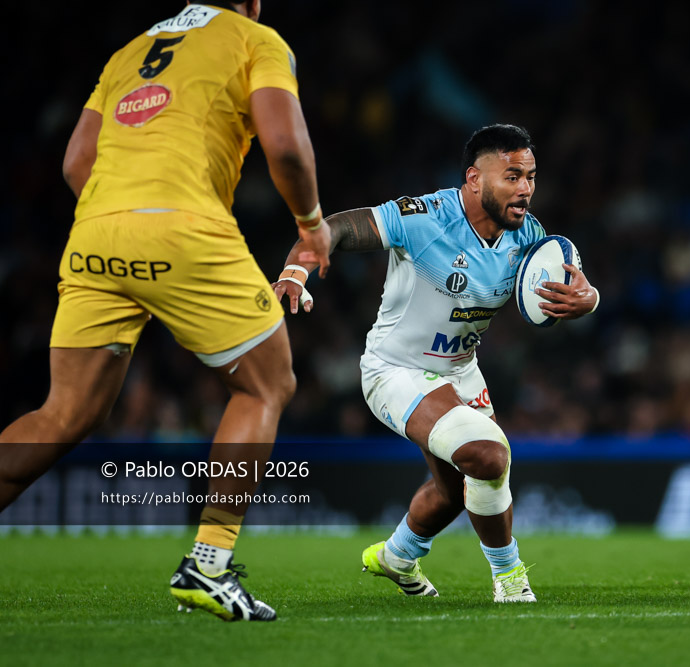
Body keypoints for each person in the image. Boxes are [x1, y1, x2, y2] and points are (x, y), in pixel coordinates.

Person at [0, 1, 331, 622]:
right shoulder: (257, 38)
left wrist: (124, 223)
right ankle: (208, 567)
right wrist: (311, 228)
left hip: (95, 230)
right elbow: (285, 146)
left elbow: (76, 162)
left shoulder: (130, 51)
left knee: (61, 413)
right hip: (184, 228)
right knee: (266, 384)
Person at [273, 124, 599, 602]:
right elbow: (336, 228)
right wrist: (296, 271)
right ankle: (509, 579)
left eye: (530, 177)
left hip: (460, 371)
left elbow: (576, 288)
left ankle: (397, 557)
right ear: (473, 178)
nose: (525, 189)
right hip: (395, 370)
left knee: (453, 492)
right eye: (512, 176)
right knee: (489, 456)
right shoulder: (424, 217)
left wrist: (588, 299)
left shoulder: (529, 237)